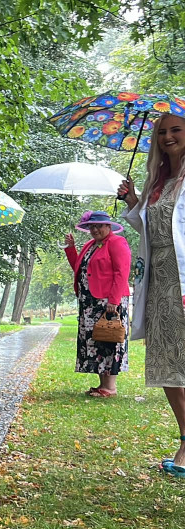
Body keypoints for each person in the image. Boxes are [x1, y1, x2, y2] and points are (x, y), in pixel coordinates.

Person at [118, 113, 185, 477]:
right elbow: (148, 225)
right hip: (159, 284)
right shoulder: (159, 183)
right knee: (167, 366)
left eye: (176, 129)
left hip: (184, 279)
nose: (168, 137)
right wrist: (133, 200)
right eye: (162, 132)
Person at [63, 210, 131, 398]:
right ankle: (103, 385)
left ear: (108, 226)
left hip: (107, 301)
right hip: (90, 302)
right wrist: (71, 248)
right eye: (92, 226)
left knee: (108, 339)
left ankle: (110, 387)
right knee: (96, 340)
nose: (95, 229)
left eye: (99, 225)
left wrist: (114, 301)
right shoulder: (90, 245)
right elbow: (80, 267)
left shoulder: (117, 243)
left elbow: (122, 272)